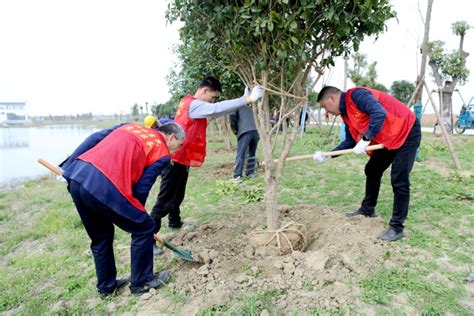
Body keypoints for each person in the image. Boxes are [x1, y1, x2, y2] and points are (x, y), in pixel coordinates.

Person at [59, 122, 185, 296]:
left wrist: (69, 165)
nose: (176, 151)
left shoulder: (131, 126)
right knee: (144, 226)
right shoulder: (161, 152)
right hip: (104, 184)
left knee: (101, 237)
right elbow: (142, 189)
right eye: (179, 146)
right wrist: (135, 216)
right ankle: (141, 283)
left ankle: (106, 287)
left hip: (77, 177)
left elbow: (95, 138)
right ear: (171, 137)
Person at [150, 75, 263, 236]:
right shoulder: (194, 105)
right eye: (213, 97)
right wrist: (247, 98)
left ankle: (174, 221)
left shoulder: (189, 103)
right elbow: (217, 109)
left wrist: (245, 100)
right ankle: (149, 238)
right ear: (204, 91)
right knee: (164, 201)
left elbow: (218, 111)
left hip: (181, 157)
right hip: (174, 159)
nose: (213, 101)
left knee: (177, 195)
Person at [313, 86, 421, 242]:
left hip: (407, 130)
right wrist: (329, 155)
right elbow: (350, 141)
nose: (327, 112)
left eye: (325, 107)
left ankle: (397, 228)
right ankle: (367, 209)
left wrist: (366, 139)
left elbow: (379, 113)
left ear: (332, 99)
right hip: (389, 137)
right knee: (372, 169)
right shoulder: (346, 115)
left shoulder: (357, 95)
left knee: (399, 179)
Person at [229, 87, 260, 181]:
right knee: (252, 153)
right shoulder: (253, 106)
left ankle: (238, 175)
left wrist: (235, 130)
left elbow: (232, 115)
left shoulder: (239, 104)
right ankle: (250, 174)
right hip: (255, 131)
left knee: (241, 153)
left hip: (245, 131)